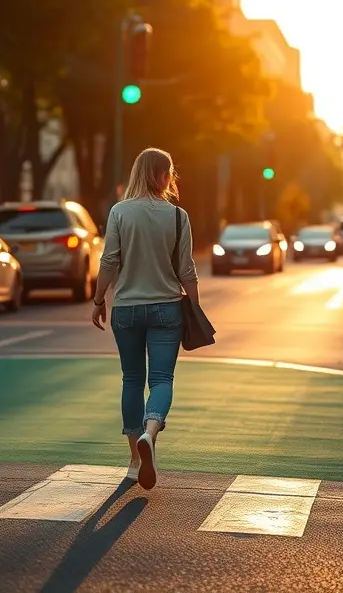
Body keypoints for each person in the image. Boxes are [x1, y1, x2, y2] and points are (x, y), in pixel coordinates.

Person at [91, 148, 199, 491]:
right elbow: (187, 271)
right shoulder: (178, 217)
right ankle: (151, 433)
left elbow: (109, 260)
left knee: (132, 380)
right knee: (162, 378)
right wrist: (194, 307)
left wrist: (98, 300)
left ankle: (135, 461)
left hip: (127, 309)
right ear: (166, 176)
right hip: (167, 307)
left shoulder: (120, 212)